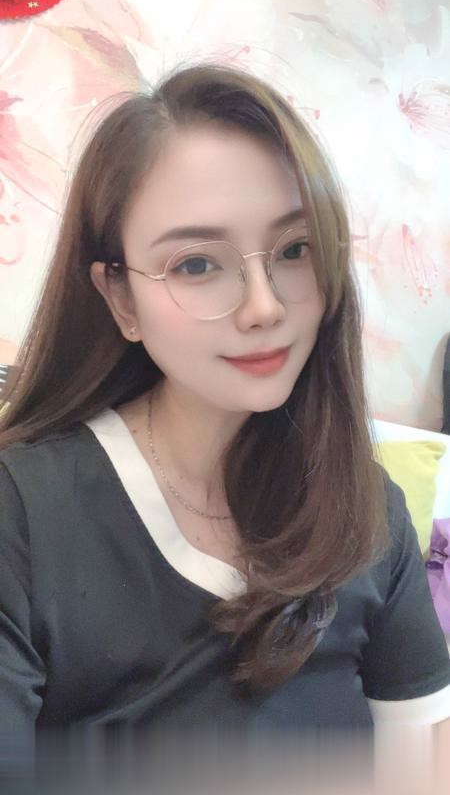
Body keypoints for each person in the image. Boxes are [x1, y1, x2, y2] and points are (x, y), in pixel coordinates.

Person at [0, 62, 449, 791]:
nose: (264, 306)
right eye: (197, 264)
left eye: (295, 250)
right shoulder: (24, 513)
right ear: (120, 298)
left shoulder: (368, 509)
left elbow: (421, 764)